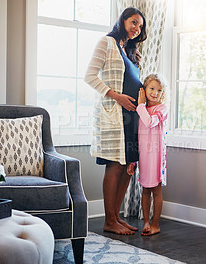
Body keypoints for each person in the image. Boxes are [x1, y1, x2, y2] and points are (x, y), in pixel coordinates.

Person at [84, 7, 147, 235]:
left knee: (127, 167)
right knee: (114, 165)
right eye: (133, 22)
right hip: (113, 114)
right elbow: (89, 76)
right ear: (122, 21)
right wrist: (117, 96)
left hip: (131, 117)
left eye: (140, 26)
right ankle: (109, 220)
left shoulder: (128, 49)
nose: (136, 29)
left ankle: (117, 218)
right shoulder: (106, 42)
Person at [127, 74, 168, 236]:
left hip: (156, 157)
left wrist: (140, 105)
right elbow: (137, 136)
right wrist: (133, 160)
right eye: (151, 88)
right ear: (144, 90)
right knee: (145, 189)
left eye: (159, 90)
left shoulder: (161, 109)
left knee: (156, 190)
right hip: (143, 155)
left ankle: (155, 224)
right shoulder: (141, 110)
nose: (155, 93)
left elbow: (150, 122)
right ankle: (146, 222)